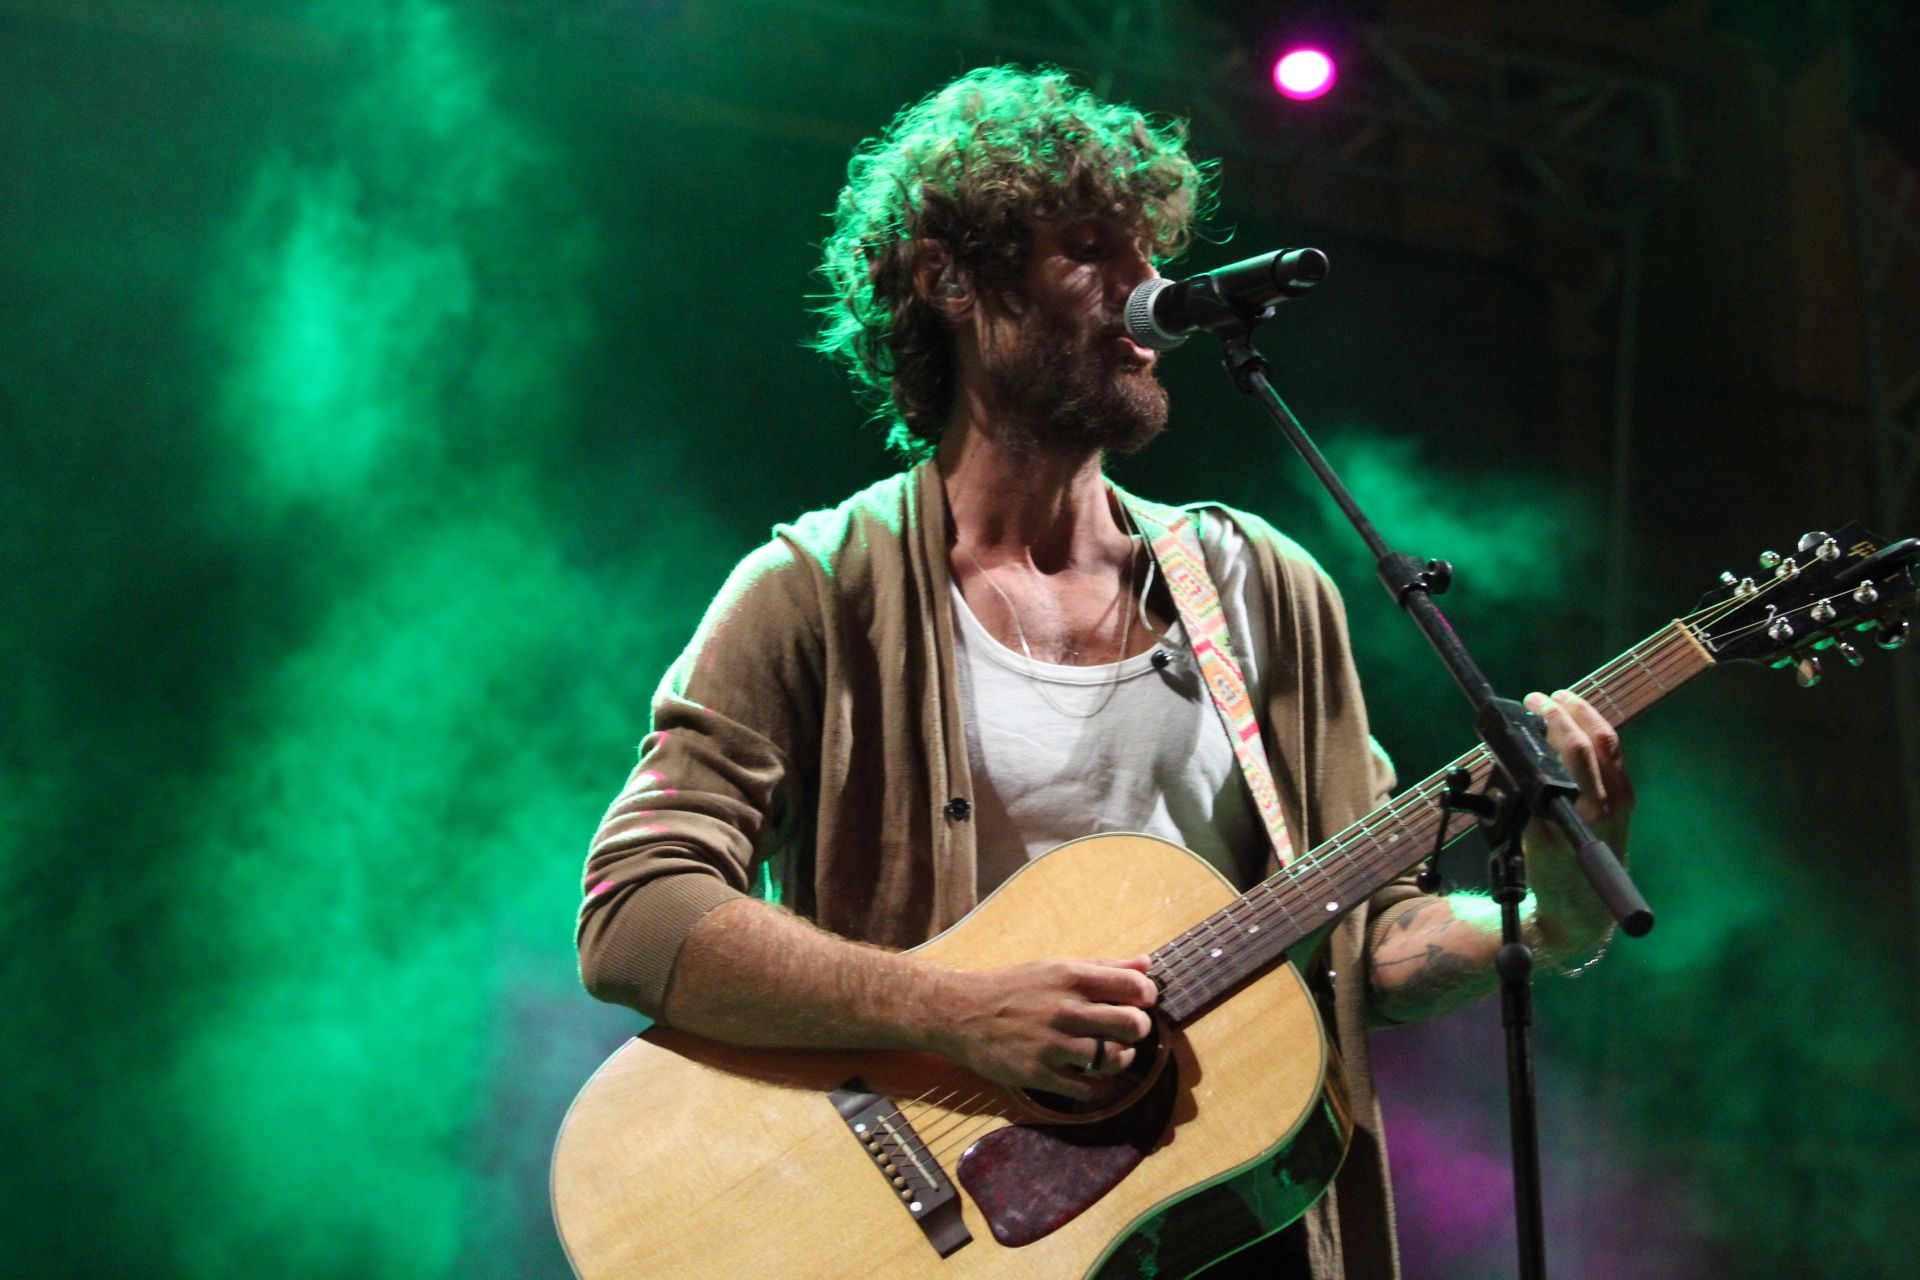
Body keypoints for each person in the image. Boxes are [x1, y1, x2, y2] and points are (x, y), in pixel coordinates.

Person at [576, 65, 1631, 1279]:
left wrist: (1548, 917)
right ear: (947, 280)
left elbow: (1369, 943)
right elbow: (635, 910)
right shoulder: (818, 588)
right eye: (1090, 252)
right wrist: (955, 1011)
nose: (1148, 296)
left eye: (1150, 256)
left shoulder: (1262, 588)